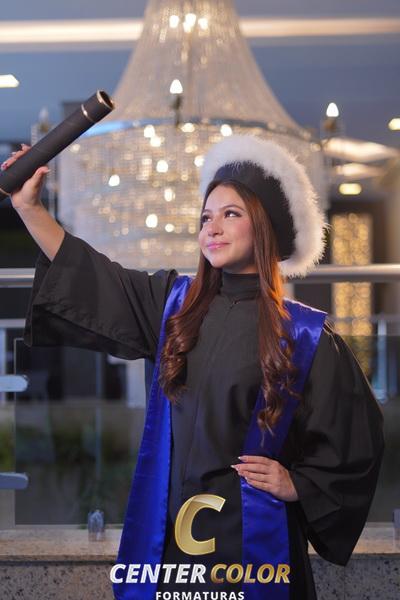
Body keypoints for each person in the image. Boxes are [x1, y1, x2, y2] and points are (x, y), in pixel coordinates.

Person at [4, 134, 385, 600]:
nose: (213, 228)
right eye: (206, 217)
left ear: (264, 226)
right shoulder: (175, 307)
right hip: (170, 536)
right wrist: (29, 208)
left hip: (251, 539)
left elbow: (354, 439)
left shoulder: (305, 336)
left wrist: (298, 484)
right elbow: (94, 276)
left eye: (231, 214)